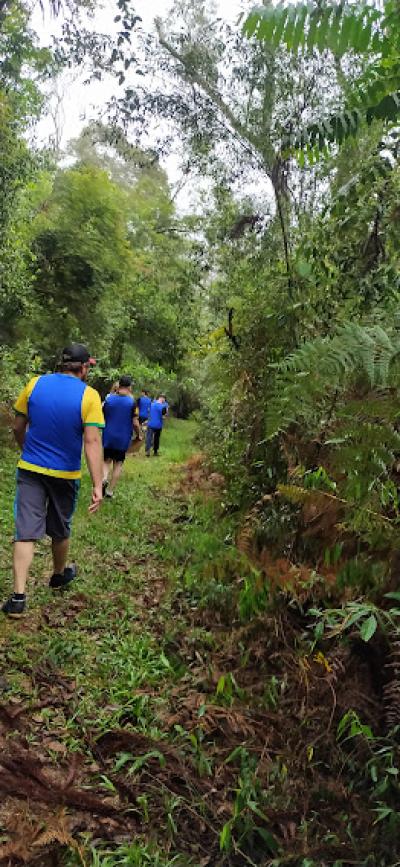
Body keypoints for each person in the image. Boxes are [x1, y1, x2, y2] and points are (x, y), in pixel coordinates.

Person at [2, 343, 104, 619]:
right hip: (65, 475)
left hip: (30, 469)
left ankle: (18, 597)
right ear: (83, 368)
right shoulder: (90, 396)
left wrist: (27, 451)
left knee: (25, 530)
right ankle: (59, 575)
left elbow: (17, 426)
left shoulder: (35, 384)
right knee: (60, 528)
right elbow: (92, 441)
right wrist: (98, 484)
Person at [102, 375, 136, 498]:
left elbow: (102, 415)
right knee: (118, 463)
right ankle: (110, 492)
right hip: (123, 438)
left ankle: (103, 479)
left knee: (106, 461)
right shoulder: (131, 402)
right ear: (129, 387)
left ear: (119, 385)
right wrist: (139, 434)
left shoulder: (109, 399)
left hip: (109, 435)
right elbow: (135, 422)